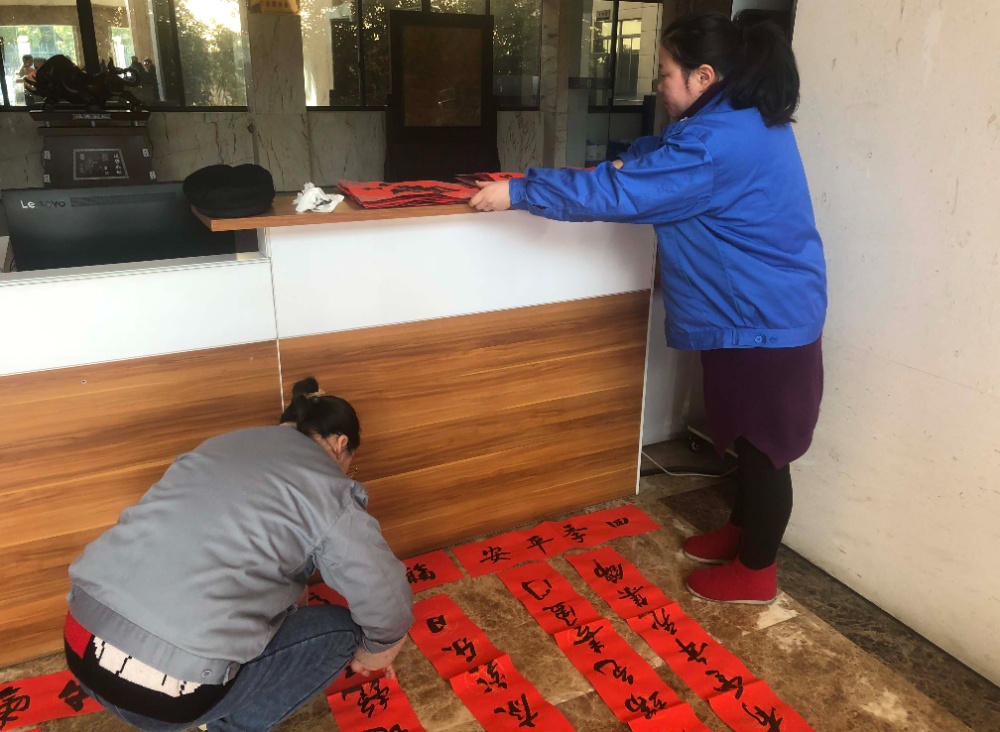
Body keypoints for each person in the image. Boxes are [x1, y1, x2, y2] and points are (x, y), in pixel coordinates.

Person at [470, 12, 827, 605]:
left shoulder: (715, 142)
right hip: (756, 314)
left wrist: (521, 190)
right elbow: (661, 157)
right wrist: (626, 162)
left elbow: (624, 193)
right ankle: (743, 535)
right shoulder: (734, 121)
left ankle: (756, 572)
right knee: (746, 438)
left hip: (762, 321)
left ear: (703, 76)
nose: (658, 86)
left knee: (765, 451)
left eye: (664, 73)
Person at [63, 377, 413, 731]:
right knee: (344, 632)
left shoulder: (219, 445)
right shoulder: (329, 488)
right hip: (167, 697)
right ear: (341, 444)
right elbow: (385, 596)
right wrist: (376, 653)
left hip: (81, 643)